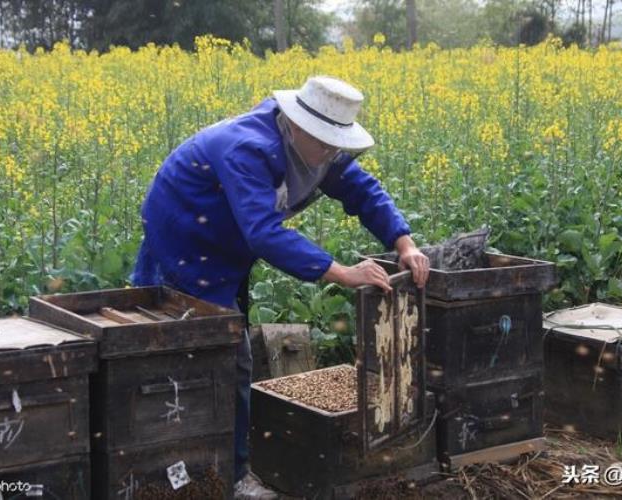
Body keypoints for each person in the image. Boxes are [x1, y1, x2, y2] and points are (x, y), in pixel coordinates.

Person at [130, 75, 430, 499]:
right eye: (324, 143)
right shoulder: (247, 148)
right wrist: (342, 272)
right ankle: (202, 478)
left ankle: (223, 472)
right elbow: (263, 232)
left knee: (224, 358)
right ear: (296, 126)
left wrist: (405, 243)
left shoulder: (319, 152)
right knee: (203, 360)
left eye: (335, 143)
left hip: (225, 250)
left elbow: (363, 191)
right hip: (184, 242)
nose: (330, 152)